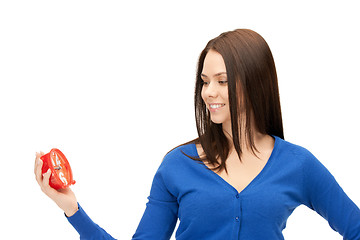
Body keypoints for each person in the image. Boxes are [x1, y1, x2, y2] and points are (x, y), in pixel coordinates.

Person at [34, 29, 360, 239]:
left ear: (255, 82)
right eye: (205, 81)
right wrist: (72, 208)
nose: (208, 92)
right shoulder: (177, 165)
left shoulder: (297, 164)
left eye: (222, 80)